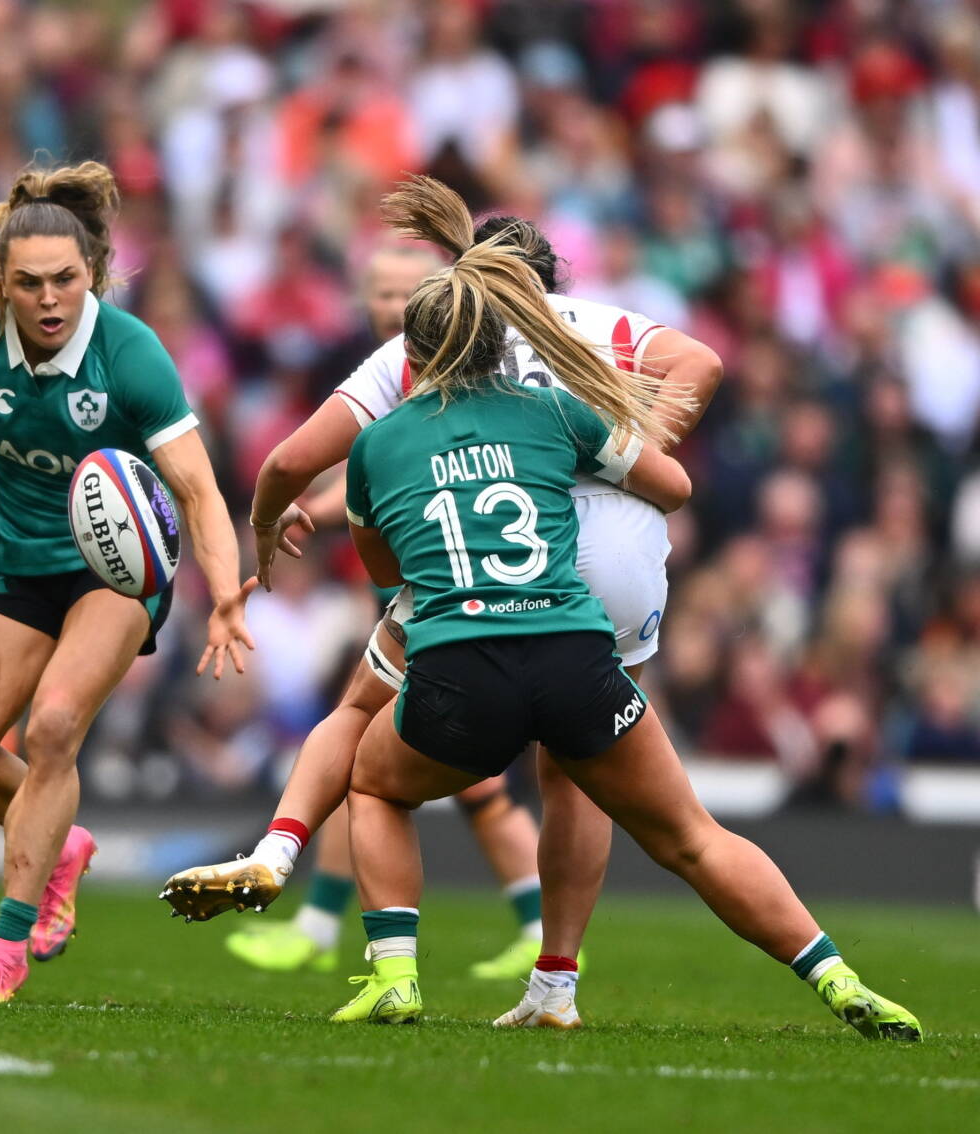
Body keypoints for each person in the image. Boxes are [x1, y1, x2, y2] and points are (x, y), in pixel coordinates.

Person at [328, 176, 920, 1041]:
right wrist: (605, 454)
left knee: (372, 782)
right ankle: (833, 976)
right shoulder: (558, 401)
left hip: (465, 663)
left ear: (416, 352)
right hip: (582, 641)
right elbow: (679, 469)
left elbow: (374, 561)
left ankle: (394, 976)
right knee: (688, 835)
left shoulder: (381, 438)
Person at [163, 182, 723, 1022]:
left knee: (364, 725)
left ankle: (292, 862)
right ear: (550, 281)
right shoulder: (601, 326)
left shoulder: (434, 348)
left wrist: (273, 523)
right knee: (578, 777)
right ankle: (557, 976)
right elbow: (703, 365)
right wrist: (627, 450)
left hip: (494, 571)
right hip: (618, 566)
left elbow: (296, 460)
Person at [0, 161, 255, 1005]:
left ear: (93, 275)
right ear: (3, 282)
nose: (47, 298)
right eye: (27, 282)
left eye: (65, 279)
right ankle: (61, 845)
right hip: (19, 567)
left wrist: (223, 592)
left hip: (115, 571)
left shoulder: (131, 353)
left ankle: (2, 950)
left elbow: (199, 489)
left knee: (55, 726)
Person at [224, 241, 555, 980]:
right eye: (381, 291)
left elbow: (385, 472)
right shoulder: (388, 379)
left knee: (449, 776)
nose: (391, 304)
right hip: (420, 594)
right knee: (376, 759)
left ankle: (537, 932)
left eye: (407, 290)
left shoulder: (430, 374)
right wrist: (323, 509)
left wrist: (295, 513)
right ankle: (325, 920)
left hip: (455, 599)